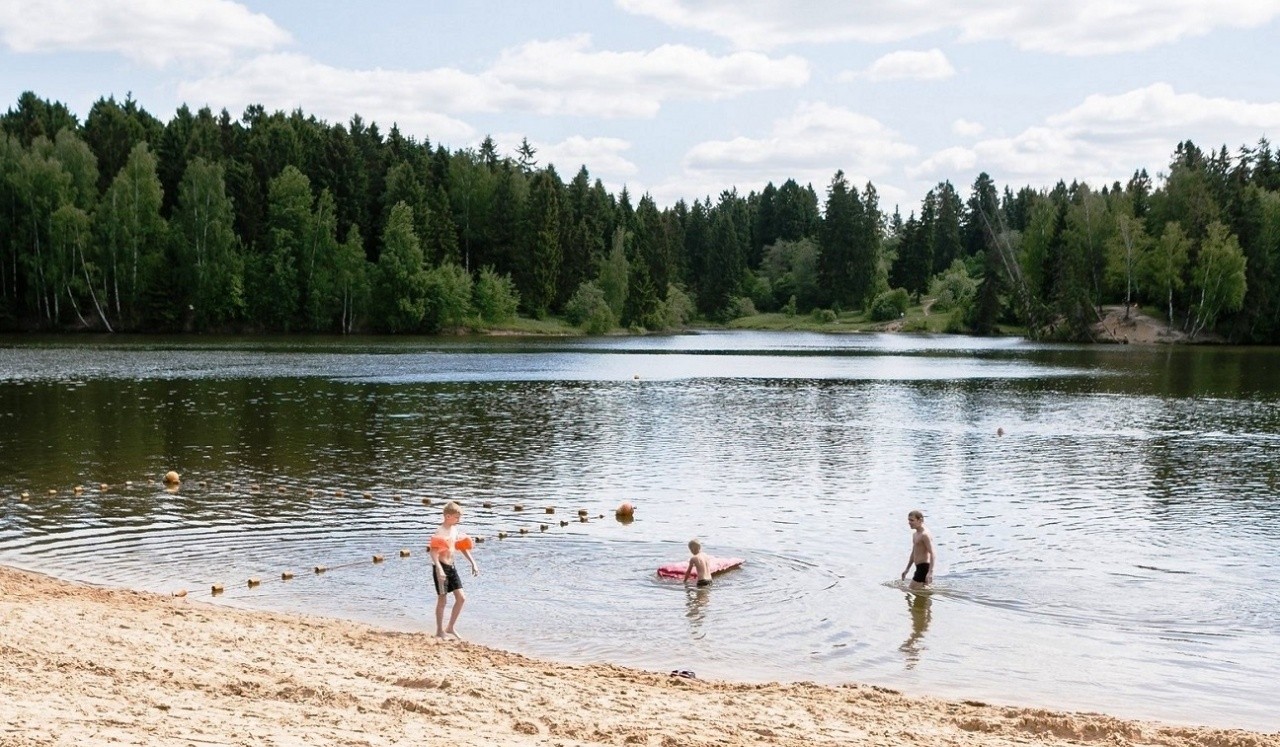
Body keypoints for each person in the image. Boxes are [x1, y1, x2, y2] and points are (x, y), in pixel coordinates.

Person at [429, 501, 479, 639]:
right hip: (441, 567)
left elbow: (461, 546)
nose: (459, 520)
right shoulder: (440, 531)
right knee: (442, 600)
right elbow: (433, 553)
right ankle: (439, 631)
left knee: (461, 598)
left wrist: (473, 563)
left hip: (452, 567)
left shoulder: (454, 530)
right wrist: (439, 569)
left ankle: (450, 627)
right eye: (457, 517)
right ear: (447, 516)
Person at [900, 509, 935, 588]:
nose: (909, 522)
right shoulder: (915, 534)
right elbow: (913, 553)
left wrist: (930, 572)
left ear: (920, 520)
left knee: (910, 590)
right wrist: (907, 569)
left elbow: (933, 553)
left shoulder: (925, 535)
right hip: (918, 567)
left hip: (924, 568)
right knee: (923, 595)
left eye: (912, 520)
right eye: (909, 520)